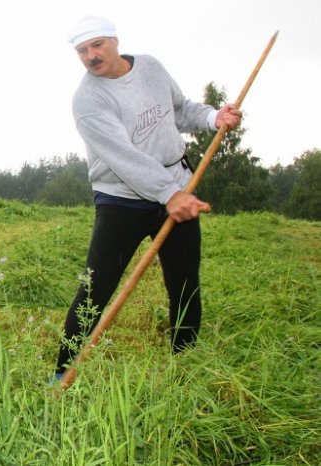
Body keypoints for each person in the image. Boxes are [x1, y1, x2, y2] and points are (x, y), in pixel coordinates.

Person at [55, 16, 242, 378]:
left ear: (114, 40)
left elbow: (180, 110)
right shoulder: (88, 101)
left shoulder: (151, 68)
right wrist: (168, 193)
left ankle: (184, 364)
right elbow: (126, 159)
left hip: (177, 184)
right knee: (96, 287)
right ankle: (63, 371)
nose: (91, 56)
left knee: (185, 280)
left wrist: (213, 117)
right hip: (120, 199)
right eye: (82, 51)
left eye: (97, 45)